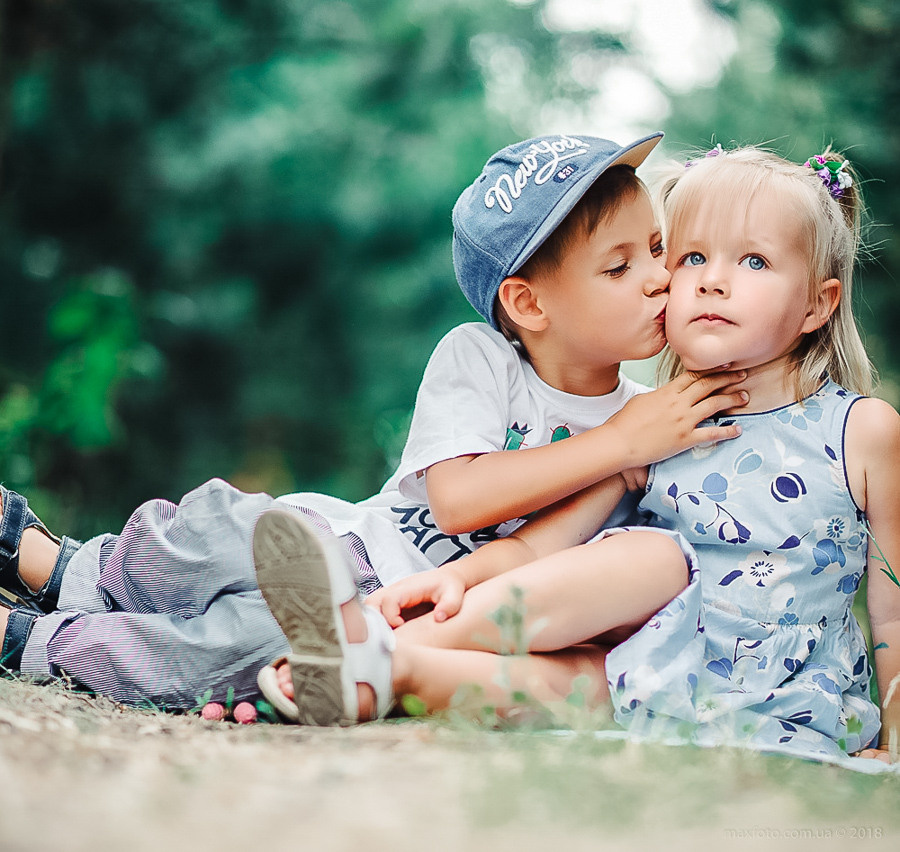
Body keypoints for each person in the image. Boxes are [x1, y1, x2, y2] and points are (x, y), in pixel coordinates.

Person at [0, 133, 745, 709]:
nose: (658, 277)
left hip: (385, 616)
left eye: (656, 249)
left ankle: (37, 642)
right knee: (222, 529)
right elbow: (457, 499)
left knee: (254, 648)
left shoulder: (638, 427)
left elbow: (538, 555)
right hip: (346, 543)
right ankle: (58, 566)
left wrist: (627, 445)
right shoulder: (483, 358)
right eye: (618, 268)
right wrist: (619, 442)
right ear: (529, 305)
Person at [256, 144, 900, 766]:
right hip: (642, 672)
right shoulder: (652, 424)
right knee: (636, 582)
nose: (711, 282)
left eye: (754, 262)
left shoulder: (863, 430)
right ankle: (382, 668)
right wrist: (460, 577)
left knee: (601, 655)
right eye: (692, 256)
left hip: (782, 701)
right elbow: (542, 551)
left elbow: (892, 594)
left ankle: (379, 654)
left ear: (820, 301)